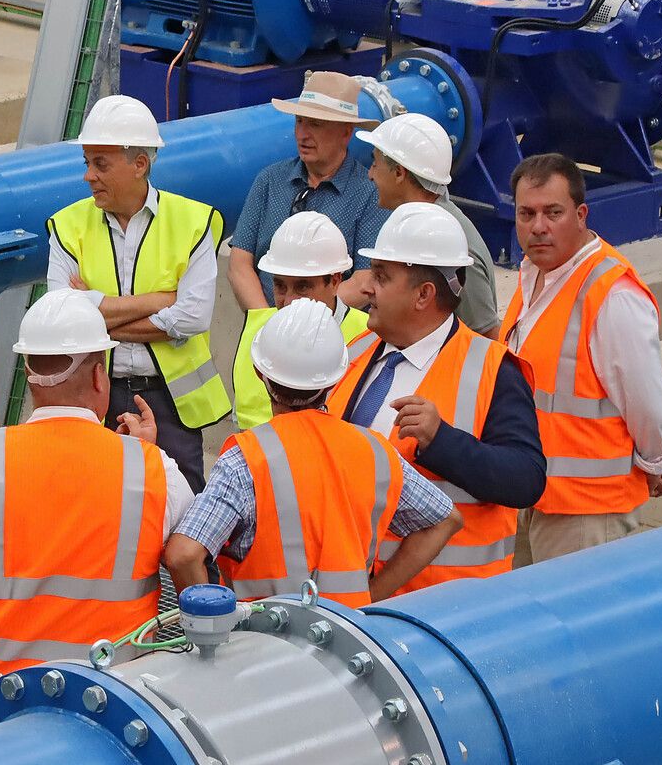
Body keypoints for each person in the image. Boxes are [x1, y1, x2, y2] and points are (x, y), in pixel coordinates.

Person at [0, 289, 194, 694]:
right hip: (112, 704)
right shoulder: (153, 470)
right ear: (99, 375)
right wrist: (143, 454)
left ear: (30, 376)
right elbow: (190, 552)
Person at [165, 299, 462, 603]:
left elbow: (184, 555)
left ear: (259, 373)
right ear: (334, 381)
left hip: (262, 642)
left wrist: (215, 624)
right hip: (350, 637)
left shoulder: (244, 460)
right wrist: (372, 595)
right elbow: (445, 519)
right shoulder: (375, 451)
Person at [325, 203, 546, 591]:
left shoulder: (493, 369)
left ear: (424, 295)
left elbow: (525, 479)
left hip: (445, 606)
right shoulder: (357, 351)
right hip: (357, 594)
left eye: (382, 276)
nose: (367, 287)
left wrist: (441, 441)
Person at [500, 154, 662, 564]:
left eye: (553, 212)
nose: (538, 226)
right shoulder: (535, 275)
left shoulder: (611, 294)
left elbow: (648, 400)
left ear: (581, 214)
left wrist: (656, 463)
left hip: (586, 512)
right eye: (526, 213)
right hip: (533, 492)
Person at [46, 94, 229, 492]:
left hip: (172, 403)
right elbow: (60, 318)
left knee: (184, 515)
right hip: (96, 396)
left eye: (100, 164)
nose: (88, 176)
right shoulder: (67, 226)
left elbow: (192, 317)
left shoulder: (194, 222)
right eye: (87, 163)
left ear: (140, 164)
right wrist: (157, 301)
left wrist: (96, 311)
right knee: (99, 505)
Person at [228, 71, 388, 311]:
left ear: (346, 132)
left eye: (316, 124)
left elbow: (363, 280)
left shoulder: (368, 194)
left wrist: (303, 318)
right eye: (299, 121)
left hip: (332, 335)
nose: (303, 134)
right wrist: (268, 321)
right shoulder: (270, 180)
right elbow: (239, 263)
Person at [359, 113, 501, 337]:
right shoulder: (412, 227)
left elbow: (486, 336)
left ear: (399, 173)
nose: (370, 174)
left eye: (375, 164)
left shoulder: (453, 242)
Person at [232, 211, 370, 430]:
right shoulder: (256, 329)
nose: (288, 301)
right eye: (280, 286)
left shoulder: (369, 336)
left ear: (335, 280)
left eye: (302, 287)